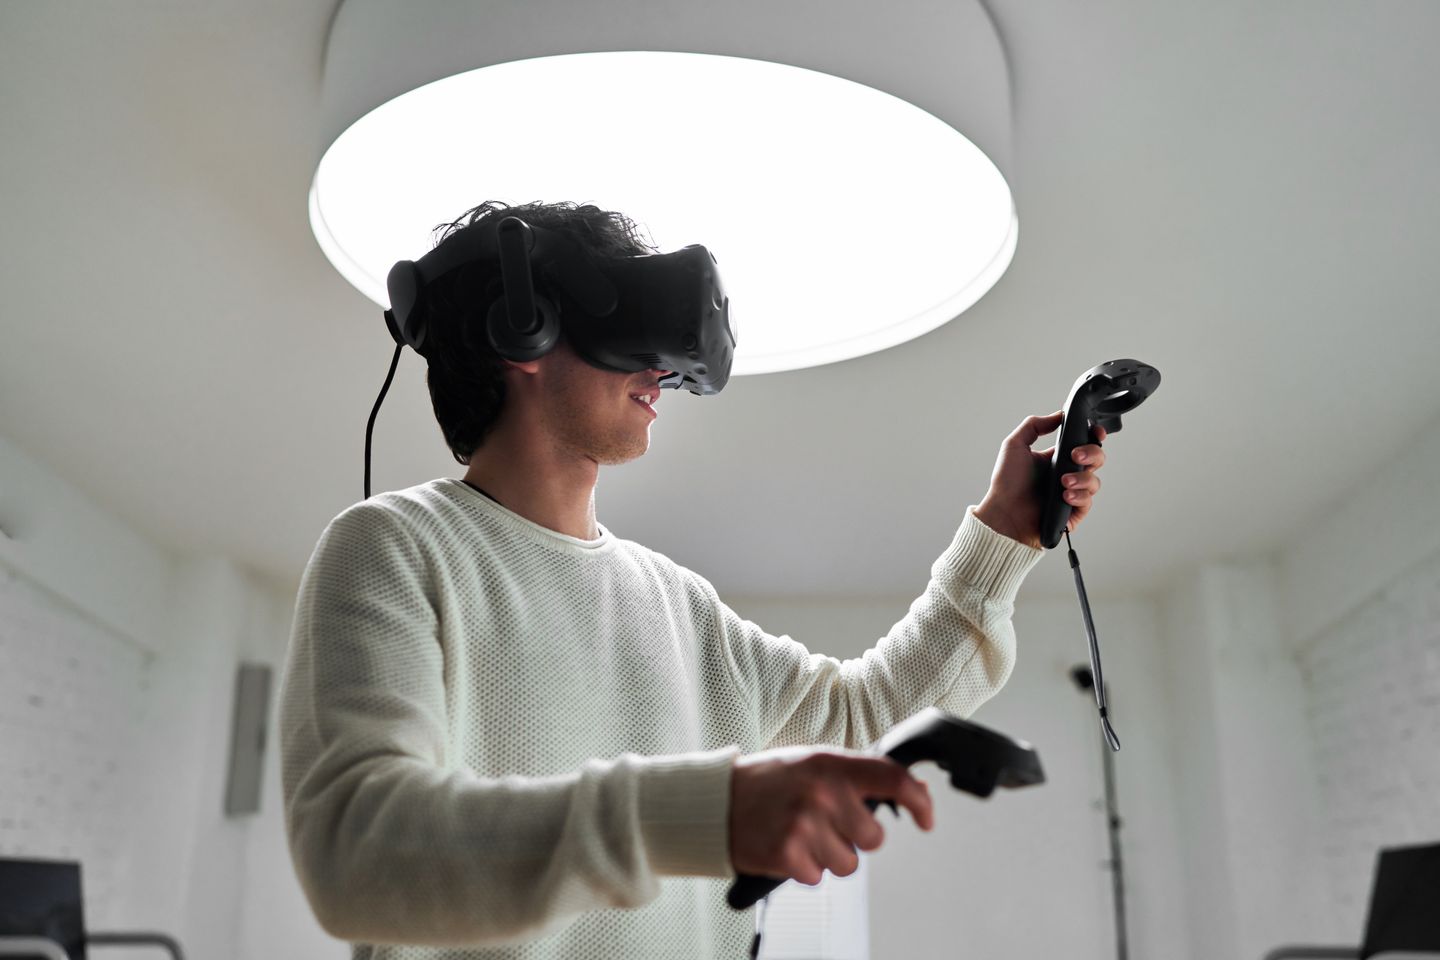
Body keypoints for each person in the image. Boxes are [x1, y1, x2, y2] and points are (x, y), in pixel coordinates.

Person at [279, 200, 1108, 960]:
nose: (664, 369)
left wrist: (1000, 539)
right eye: (625, 325)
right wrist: (699, 812)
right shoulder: (395, 547)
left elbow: (862, 719)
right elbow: (357, 850)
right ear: (521, 332)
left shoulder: (679, 605)